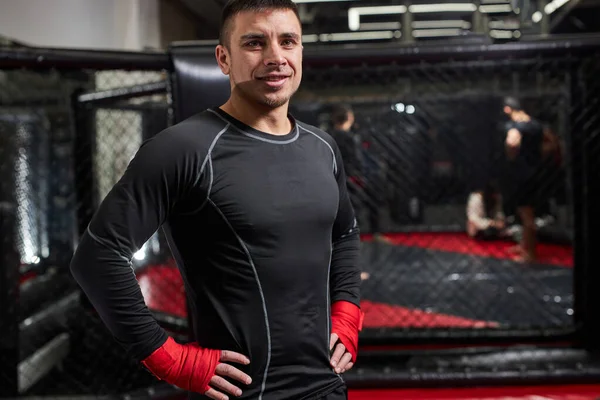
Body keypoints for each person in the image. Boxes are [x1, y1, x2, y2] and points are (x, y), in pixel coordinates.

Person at [69, 1, 362, 399]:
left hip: (326, 386)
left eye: (288, 42)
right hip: (240, 391)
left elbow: (344, 233)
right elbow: (97, 256)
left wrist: (347, 310)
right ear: (223, 59)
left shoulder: (322, 148)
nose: (276, 57)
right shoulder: (183, 149)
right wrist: (166, 356)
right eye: (255, 43)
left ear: (300, 52)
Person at [502, 97, 544, 263]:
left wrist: (511, 156)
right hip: (535, 170)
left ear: (507, 109)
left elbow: (512, 143)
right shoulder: (535, 125)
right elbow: (552, 142)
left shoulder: (516, 126)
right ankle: (525, 245)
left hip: (521, 172)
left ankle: (530, 253)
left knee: (526, 214)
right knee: (526, 210)